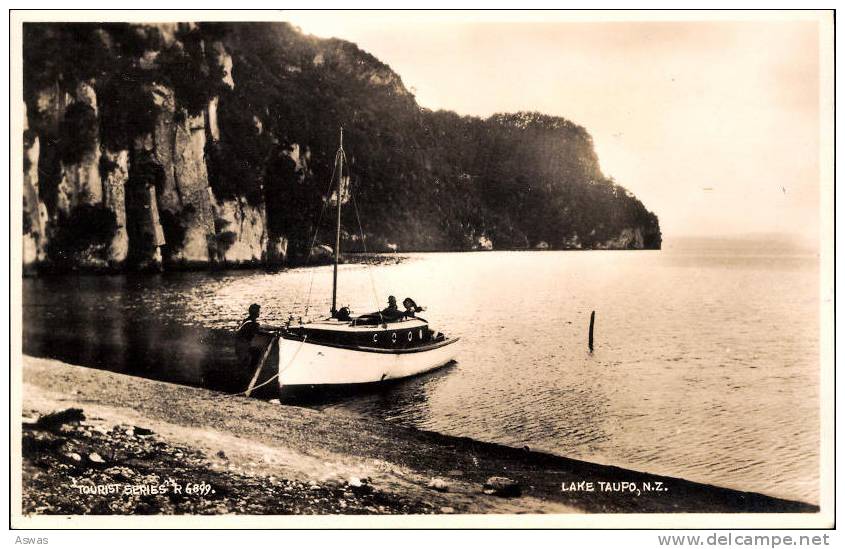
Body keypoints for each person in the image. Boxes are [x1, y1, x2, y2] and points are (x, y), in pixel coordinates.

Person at [235, 304, 273, 368]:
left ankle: (251, 366)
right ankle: (252, 368)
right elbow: (261, 332)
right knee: (257, 351)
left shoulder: (247, 320)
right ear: (255, 312)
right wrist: (272, 333)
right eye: (258, 311)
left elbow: (260, 328)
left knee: (257, 347)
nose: (259, 313)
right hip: (243, 349)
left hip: (240, 347)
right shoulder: (251, 323)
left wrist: (273, 330)